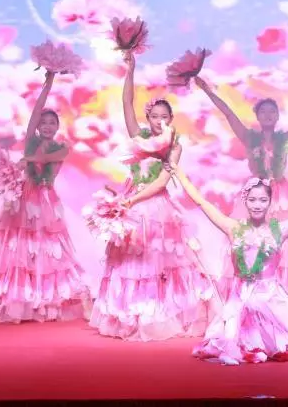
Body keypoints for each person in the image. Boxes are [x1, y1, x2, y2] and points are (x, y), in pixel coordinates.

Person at [168, 163, 288, 365]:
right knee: (229, 341)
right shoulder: (233, 228)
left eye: (262, 200)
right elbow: (201, 202)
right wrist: (177, 172)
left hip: (271, 297)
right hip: (240, 298)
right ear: (245, 201)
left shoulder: (280, 230)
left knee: (286, 344)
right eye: (252, 200)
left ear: (270, 202)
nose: (257, 205)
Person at [89, 53, 212, 341]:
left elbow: (161, 182)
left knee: (159, 264)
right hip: (130, 206)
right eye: (154, 116)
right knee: (131, 263)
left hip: (156, 209)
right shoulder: (140, 139)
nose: (159, 121)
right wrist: (130, 70)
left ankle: (160, 314)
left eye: (164, 117)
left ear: (171, 119)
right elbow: (126, 104)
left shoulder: (174, 147)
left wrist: (131, 201)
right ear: (148, 119)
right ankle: (132, 315)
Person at [193, 76, 288, 309]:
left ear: (277, 116)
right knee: (247, 242)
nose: (268, 115)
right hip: (255, 192)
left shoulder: (286, 138)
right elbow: (229, 114)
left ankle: (281, 301)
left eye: (272, 112)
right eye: (263, 112)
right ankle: (246, 298)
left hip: (280, 196)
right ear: (257, 116)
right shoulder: (248, 137)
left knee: (279, 246)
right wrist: (209, 92)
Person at [0, 71, 90, 324]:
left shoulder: (61, 148)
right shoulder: (30, 140)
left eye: (52, 123)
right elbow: (36, 111)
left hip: (45, 199)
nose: (47, 126)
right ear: (37, 126)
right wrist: (48, 84)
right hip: (23, 196)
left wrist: (28, 159)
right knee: (20, 249)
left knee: (49, 251)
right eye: (43, 123)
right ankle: (23, 301)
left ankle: (53, 301)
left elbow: (44, 159)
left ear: (57, 127)